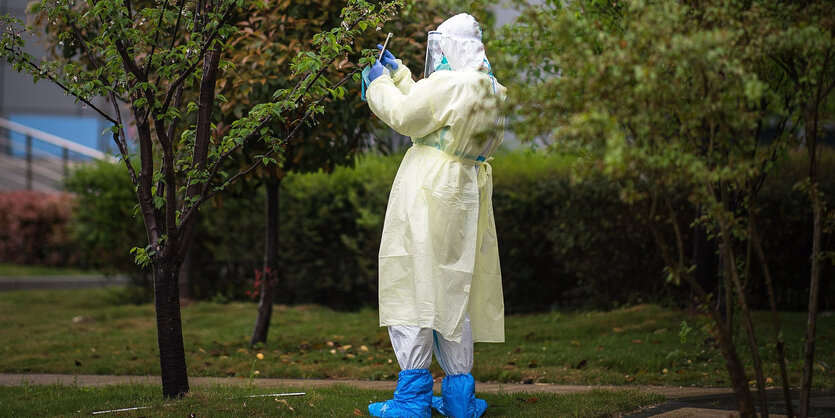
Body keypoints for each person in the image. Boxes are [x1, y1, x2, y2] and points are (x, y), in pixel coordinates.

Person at [363, 13, 507, 418]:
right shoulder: (490, 88)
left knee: (414, 284)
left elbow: (409, 117)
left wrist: (377, 83)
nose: (437, 58)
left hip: (428, 190)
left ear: (450, 47)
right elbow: (435, 113)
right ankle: (460, 400)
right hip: (464, 194)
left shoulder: (450, 84)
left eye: (441, 49)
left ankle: (412, 401)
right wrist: (402, 73)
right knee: (452, 289)